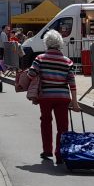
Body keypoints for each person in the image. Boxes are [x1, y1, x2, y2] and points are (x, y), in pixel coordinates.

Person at [26, 29, 79, 164]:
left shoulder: (40, 58)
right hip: (63, 96)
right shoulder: (67, 61)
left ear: (46, 43)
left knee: (46, 121)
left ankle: (47, 150)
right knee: (62, 125)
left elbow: (31, 75)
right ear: (60, 43)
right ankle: (60, 153)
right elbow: (72, 83)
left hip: (46, 96)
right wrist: (75, 102)